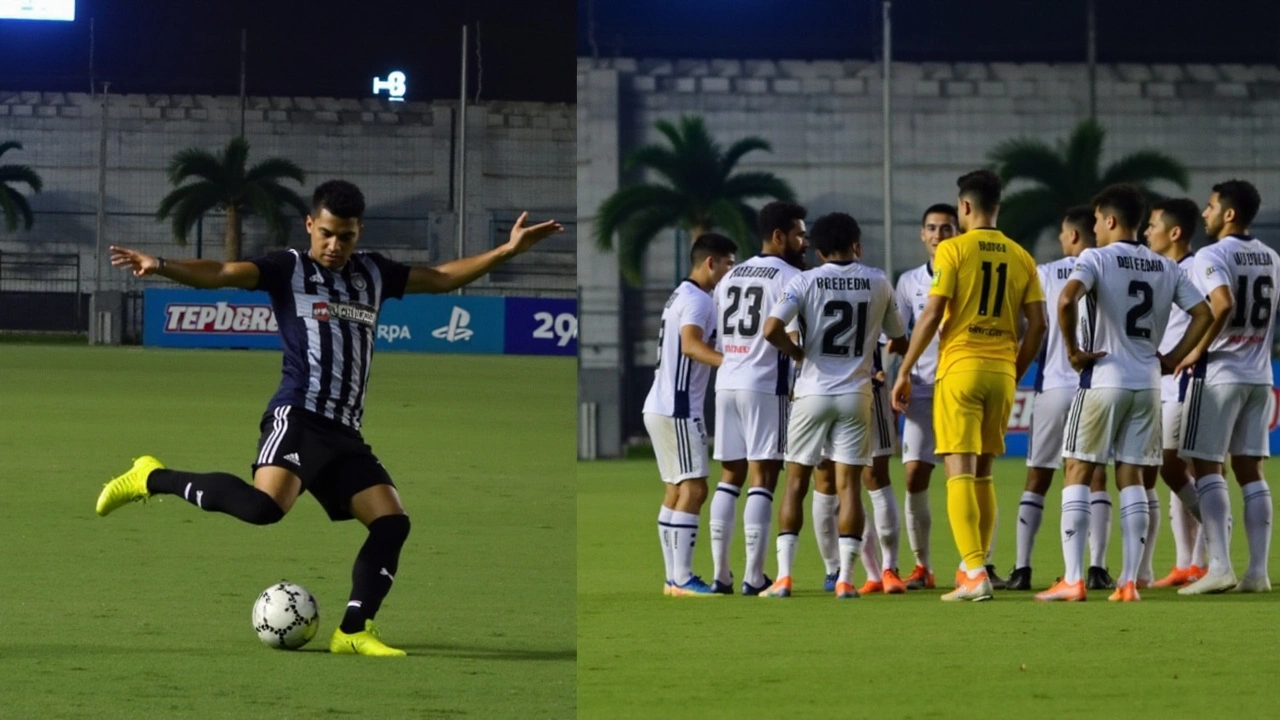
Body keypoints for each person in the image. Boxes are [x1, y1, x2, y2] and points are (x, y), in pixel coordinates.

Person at [95, 179, 564, 656]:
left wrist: (507, 250)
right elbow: (220, 271)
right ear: (309, 226)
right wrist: (162, 265)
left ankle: (354, 630)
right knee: (264, 510)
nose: (335, 245)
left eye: (346, 236)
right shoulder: (287, 268)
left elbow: (443, 277)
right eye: (326, 234)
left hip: (345, 431)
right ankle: (152, 477)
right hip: (299, 414)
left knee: (391, 524)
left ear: (359, 232)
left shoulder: (374, 275)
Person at [1035, 184, 1211, 602]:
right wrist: (1172, 358)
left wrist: (1075, 352)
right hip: (1148, 383)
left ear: (1111, 220)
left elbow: (1065, 301)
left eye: (1096, 220)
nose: (1093, 228)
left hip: (1102, 380)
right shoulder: (1164, 266)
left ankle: (1074, 579)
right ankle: (1129, 581)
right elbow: (1203, 313)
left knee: (1077, 468)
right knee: (1131, 477)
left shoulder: (1094, 258)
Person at [890, 169, 1047, 602]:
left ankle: (974, 572)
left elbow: (932, 311)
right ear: (998, 207)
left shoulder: (953, 250)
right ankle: (970, 568)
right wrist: (1015, 367)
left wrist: (904, 370)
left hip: (960, 366)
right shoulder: (1021, 256)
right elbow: (1039, 325)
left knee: (957, 469)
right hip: (1002, 372)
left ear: (964, 207)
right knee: (984, 471)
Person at [758, 212, 907, 599]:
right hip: (856, 392)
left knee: (795, 483)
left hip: (812, 390)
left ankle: (785, 578)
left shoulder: (804, 280)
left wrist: (797, 354)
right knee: (850, 487)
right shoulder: (877, 280)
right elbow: (899, 337)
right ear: (856, 245)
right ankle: (845, 579)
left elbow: (771, 329)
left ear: (819, 249)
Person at [1178, 180, 1278, 595]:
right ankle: (1258, 571)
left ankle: (1219, 565)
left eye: (1211, 206)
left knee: (1205, 467)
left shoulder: (1212, 254)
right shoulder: (1272, 257)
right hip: (1260, 374)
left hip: (1219, 374)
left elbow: (1222, 303)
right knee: (1250, 471)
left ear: (1229, 214)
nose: (1205, 213)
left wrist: (1195, 349)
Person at [1007, 207, 1110, 591]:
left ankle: (1022, 568)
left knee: (1038, 476)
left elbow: (1029, 325)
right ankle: (1097, 567)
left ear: (1072, 236)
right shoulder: (1106, 269)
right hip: (1094, 386)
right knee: (1096, 476)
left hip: (1052, 385)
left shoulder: (1045, 274)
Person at [707, 202, 807, 595]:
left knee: (729, 478)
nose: (804, 241)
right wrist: (798, 361)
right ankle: (753, 576)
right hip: (764, 384)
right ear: (779, 236)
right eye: (799, 234)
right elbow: (793, 336)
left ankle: (720, 575)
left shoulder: (730, 277)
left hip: (726, 380)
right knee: (763, 477)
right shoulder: (790, 278)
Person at [646, 233, 738, 597]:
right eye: (728, 263)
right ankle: (682, 578)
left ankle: (673, 579)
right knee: (696, 488)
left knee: (676, 491)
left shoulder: (681, 295)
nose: (730, 270)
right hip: (678, 407)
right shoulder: (699, 300)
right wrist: (730, 364)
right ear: (710, 263)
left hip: (660, 404)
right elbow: (691, 345)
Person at [1142, 198, 1208, 588]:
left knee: (1173, 464)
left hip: (1184, 380)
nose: (1147, 232)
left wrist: (1187, 355)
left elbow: (1214, 311)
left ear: (1175, 232)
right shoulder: (1166, 269)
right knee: (1174, 468)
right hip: (1163, 381)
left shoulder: (1195, 268)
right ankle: (1188, 562)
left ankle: (1217, 537)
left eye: (1153, 225)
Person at [892, 203, 958, 590]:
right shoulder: (908, 282)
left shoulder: (967, 272)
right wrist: (890, 374)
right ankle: (923, 567)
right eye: (931, 228)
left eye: (946, 228)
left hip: (958, 386)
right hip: (919, 388)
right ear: (922, 234)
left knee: (968, 474)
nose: (937, 235)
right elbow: (897, 337)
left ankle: (981, 562)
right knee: (915, 473)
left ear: (957, 232)